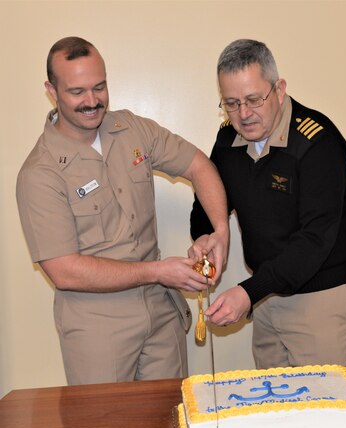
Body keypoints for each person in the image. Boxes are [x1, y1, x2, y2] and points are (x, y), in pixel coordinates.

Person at [16, 36, 229, 385]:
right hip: (98, 327)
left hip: (161, 313)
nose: (92, 101)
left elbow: (198, 166)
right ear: (51, 91)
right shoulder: (40, 173)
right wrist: (159, 271)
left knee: (170, 422)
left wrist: (220, 230)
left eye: (99, 87)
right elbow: (65, 271)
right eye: (77, 91)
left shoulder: (132, 129)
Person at [189, 39, 346, 368]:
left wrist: (248, 292)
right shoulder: (228, 141)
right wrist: (206, 235)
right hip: (268, 298)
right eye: (231, 103)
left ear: (279, 89)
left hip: (322, 302)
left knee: (326, 415)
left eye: (254, 99)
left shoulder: (318, 143)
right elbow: (207, 202)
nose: (244, 113)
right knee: (274, 413)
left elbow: (314, 241)